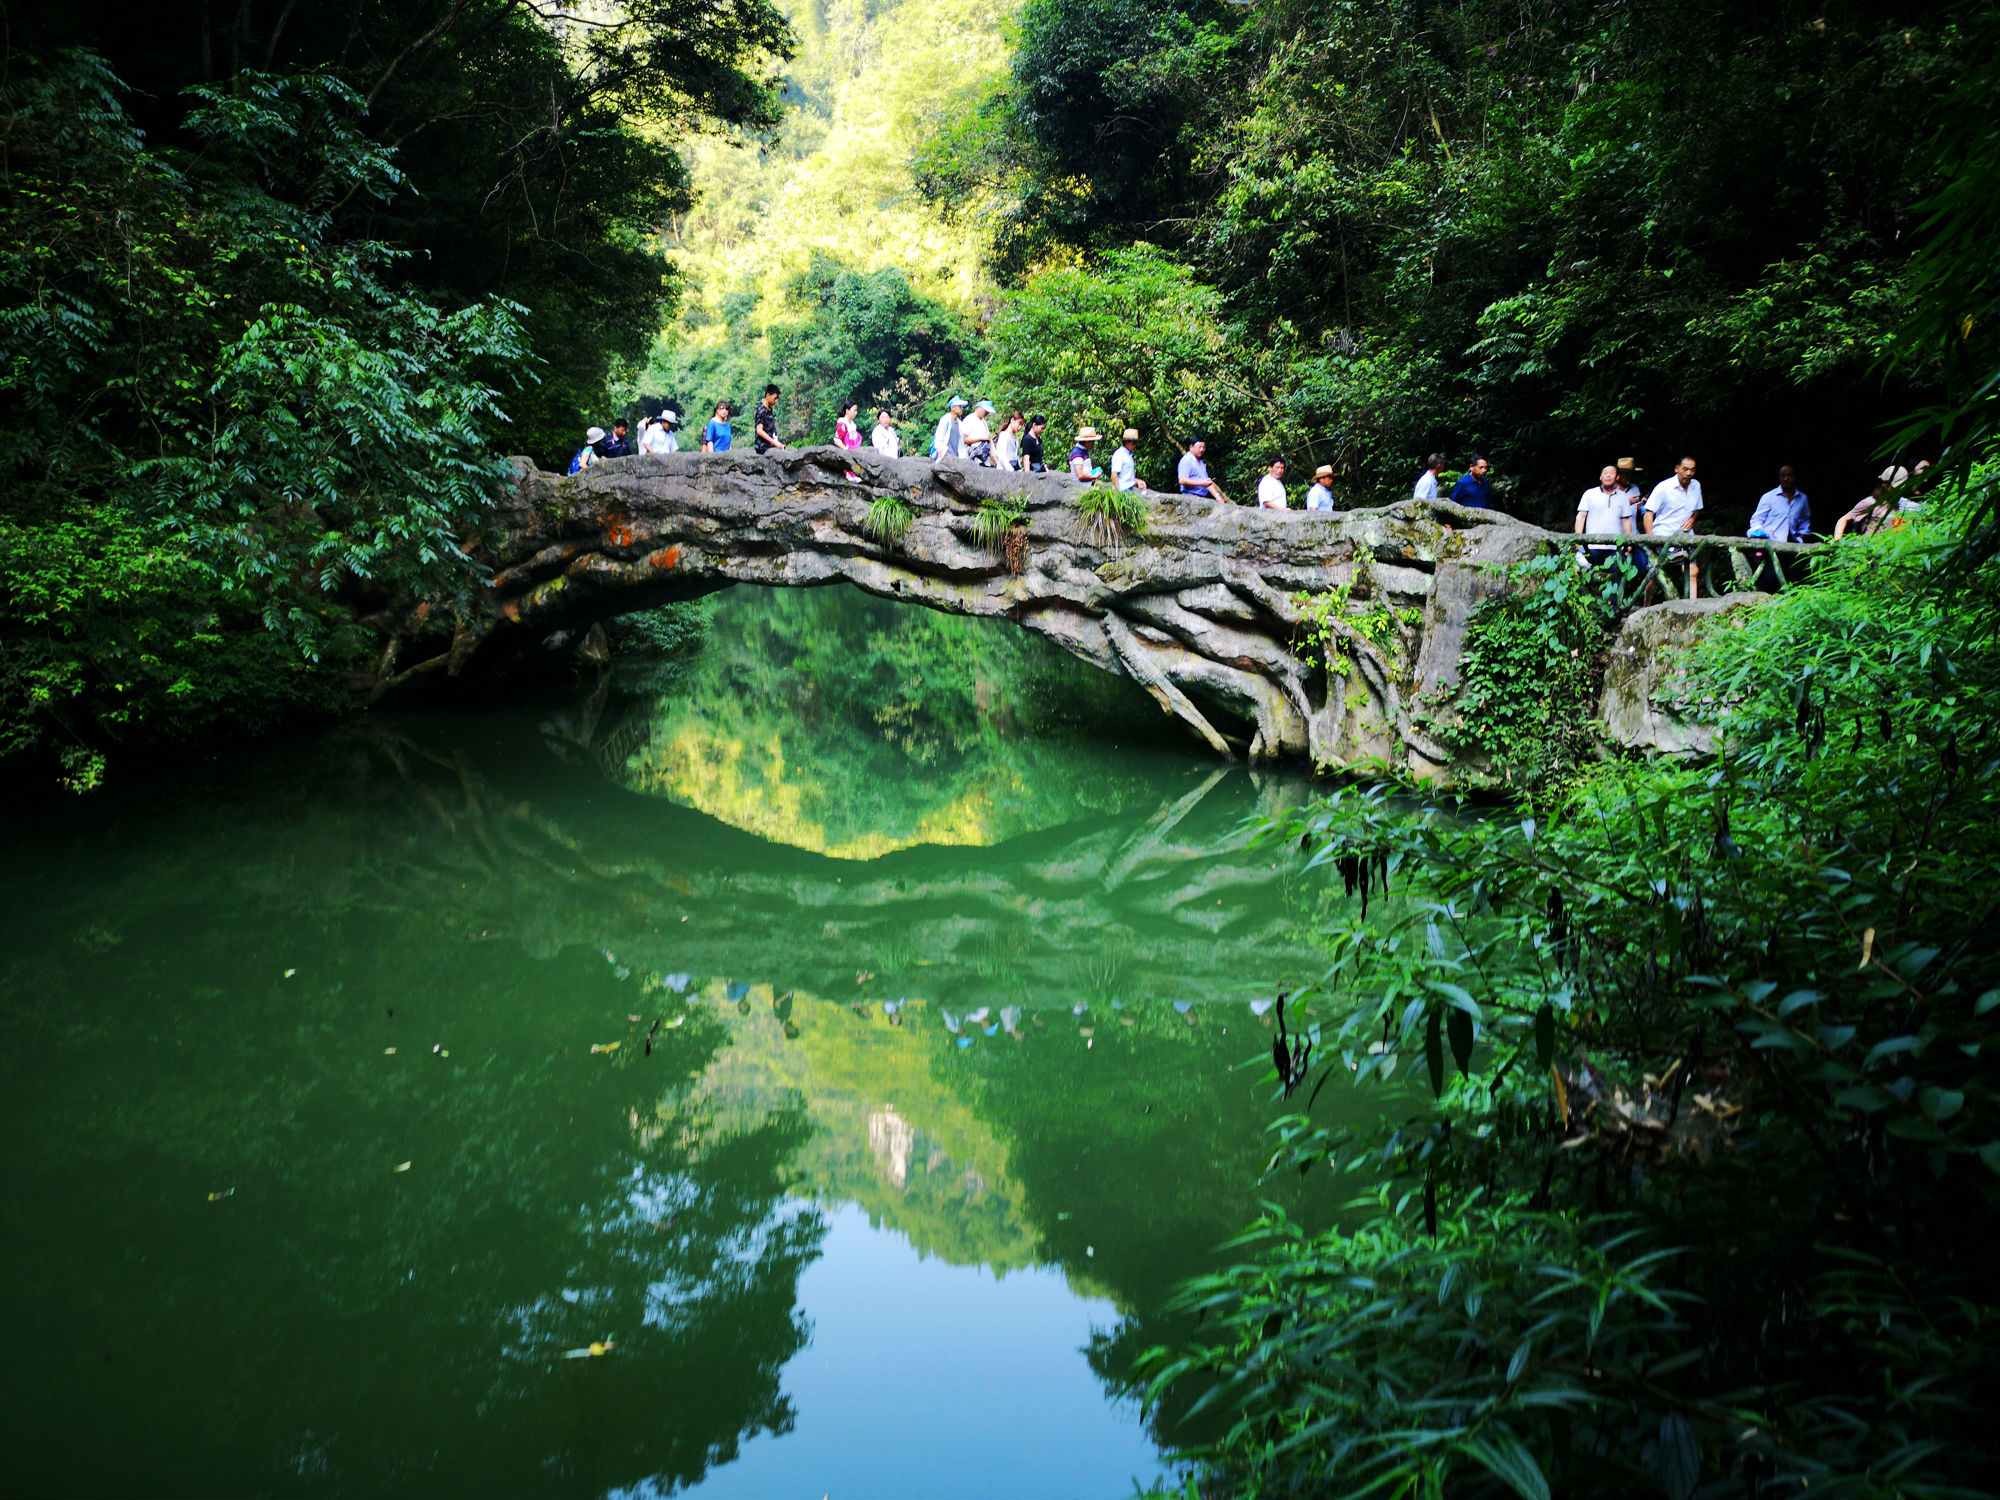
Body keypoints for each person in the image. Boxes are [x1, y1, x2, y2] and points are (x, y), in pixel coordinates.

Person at [1644, 455, 1704, 598]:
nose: (1689, 473)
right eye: (1685, 469)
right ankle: (1646, 605)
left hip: (1686, 536)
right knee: (1656, 574)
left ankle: (1693, 608)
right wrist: (1650, 538)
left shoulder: (1696, 485)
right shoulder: (1664, 487)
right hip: (1664, 535)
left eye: (1692, 470)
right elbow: (1648, 513)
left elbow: (1697, 508)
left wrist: (1692, 519)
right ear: (1677, 469)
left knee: (1692, 571)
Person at [1747, 464, 1810, 590]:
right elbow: (1757, 519)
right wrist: (1759, 534)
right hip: (1770, 542)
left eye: (1789, 475)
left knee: (1791, 577)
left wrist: (1801, 536)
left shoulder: (1802, 499)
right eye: (1783, 475)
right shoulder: (1769, 497)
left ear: (1795, 477)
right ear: (1779, 477)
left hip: (1791, 544)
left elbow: (1805, 520)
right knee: (1768, 577)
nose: (1786, 478)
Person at [1575, 465, 1633, 567]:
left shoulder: (1623, 496)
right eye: (1605, 473)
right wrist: (1578, 541)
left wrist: (1628, 542)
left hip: (1616, 547)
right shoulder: (1590, 494)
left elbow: (1626, 520)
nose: (1608, 476)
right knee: (1592, 576)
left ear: (1617, 477)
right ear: (1600, 477)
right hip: (1592, 545)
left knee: (1615, 578)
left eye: (1611, 473)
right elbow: (1581, 517)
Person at [1833, 467, 1907, 539]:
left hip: (1888, 547)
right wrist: (1837, 539)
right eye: (1895, 487)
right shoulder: (1870, 503)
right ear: (1884, 484)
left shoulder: (1901, 504)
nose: (1898, 490)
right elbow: (1843, 519)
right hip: (1868, 547)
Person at [931, 396, 966, 460]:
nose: (962, 408)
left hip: (956, 457)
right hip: (946, 455)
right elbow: (939, 437)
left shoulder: (960, 423)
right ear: (952, 407)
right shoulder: (945, 420)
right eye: (960, 406)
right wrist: (940, 457)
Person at [962, 400, 995, 465]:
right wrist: (981, 438)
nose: (987, 413)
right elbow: (964, 439)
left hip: (984, 459)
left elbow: (988, 439)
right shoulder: (969, 419)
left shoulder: (984, 422)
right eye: (985, 411)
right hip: (973, 459)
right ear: (979, 407)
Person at [753, 385, 782, 454]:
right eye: (775, 398)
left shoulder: (769, 409)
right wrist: (774, 443)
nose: (776, 401)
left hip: (771, 446)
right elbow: (759, 431)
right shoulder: (761, 410)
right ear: (768, 395)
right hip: (763, 448)